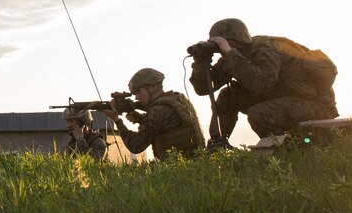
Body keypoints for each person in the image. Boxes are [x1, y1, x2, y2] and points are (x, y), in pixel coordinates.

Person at [190, 18, 339, 146]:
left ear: (236, 41)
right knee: (228, 95)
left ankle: (287, 152)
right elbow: (203, 89)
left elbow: (262, 84)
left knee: (259, 114)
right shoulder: (233, 57)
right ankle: (218, 145)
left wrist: (229, 53)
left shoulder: (264, 48)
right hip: (284, 98)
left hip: (315, 104)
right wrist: (200, 64)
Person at [106, 68, 204, 160]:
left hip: (177, 170)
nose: (136, 97)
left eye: (139, 92)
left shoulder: (156, 111)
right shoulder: (179, 99)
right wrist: (140, 118)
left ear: (154, 86)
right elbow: (168, 124)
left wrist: (117, 121)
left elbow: (136, 145)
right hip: (197, 163)